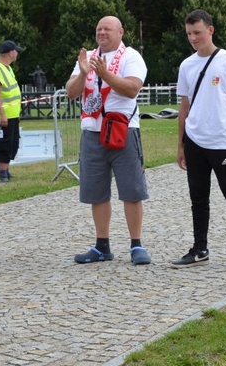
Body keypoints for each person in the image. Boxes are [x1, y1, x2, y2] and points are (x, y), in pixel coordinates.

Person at [172, 9, 226, 273]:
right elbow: (184, 107)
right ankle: (200, 248)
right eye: (189, 34)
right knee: (198, 197)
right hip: (195, 139)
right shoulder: (187, 65)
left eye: (197, 32)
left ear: (210, 30)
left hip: (222, 140)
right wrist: (181, 144)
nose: (193, 38)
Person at [66, 15, 152, 266]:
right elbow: (72, 92)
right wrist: (84, 74)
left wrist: (106, 75)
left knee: (132, 190)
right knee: (96, 192)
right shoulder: (88, 58)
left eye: (107, 29)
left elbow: (132, 88)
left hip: (122, 130)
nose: (102, 33)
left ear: (121, 32)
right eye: (98, 29)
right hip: (92, 132)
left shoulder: (131, 57)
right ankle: (102, 245)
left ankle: (137, 245)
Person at [0, 40, 23, 183]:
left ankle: (7, 171)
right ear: (11, 52)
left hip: (13, 113)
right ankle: (3, 174)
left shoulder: (7, 68)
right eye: (16, 51)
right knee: (3, 144)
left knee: (12, 143)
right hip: (4, 115)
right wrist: (2, 114)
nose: (17, 53)